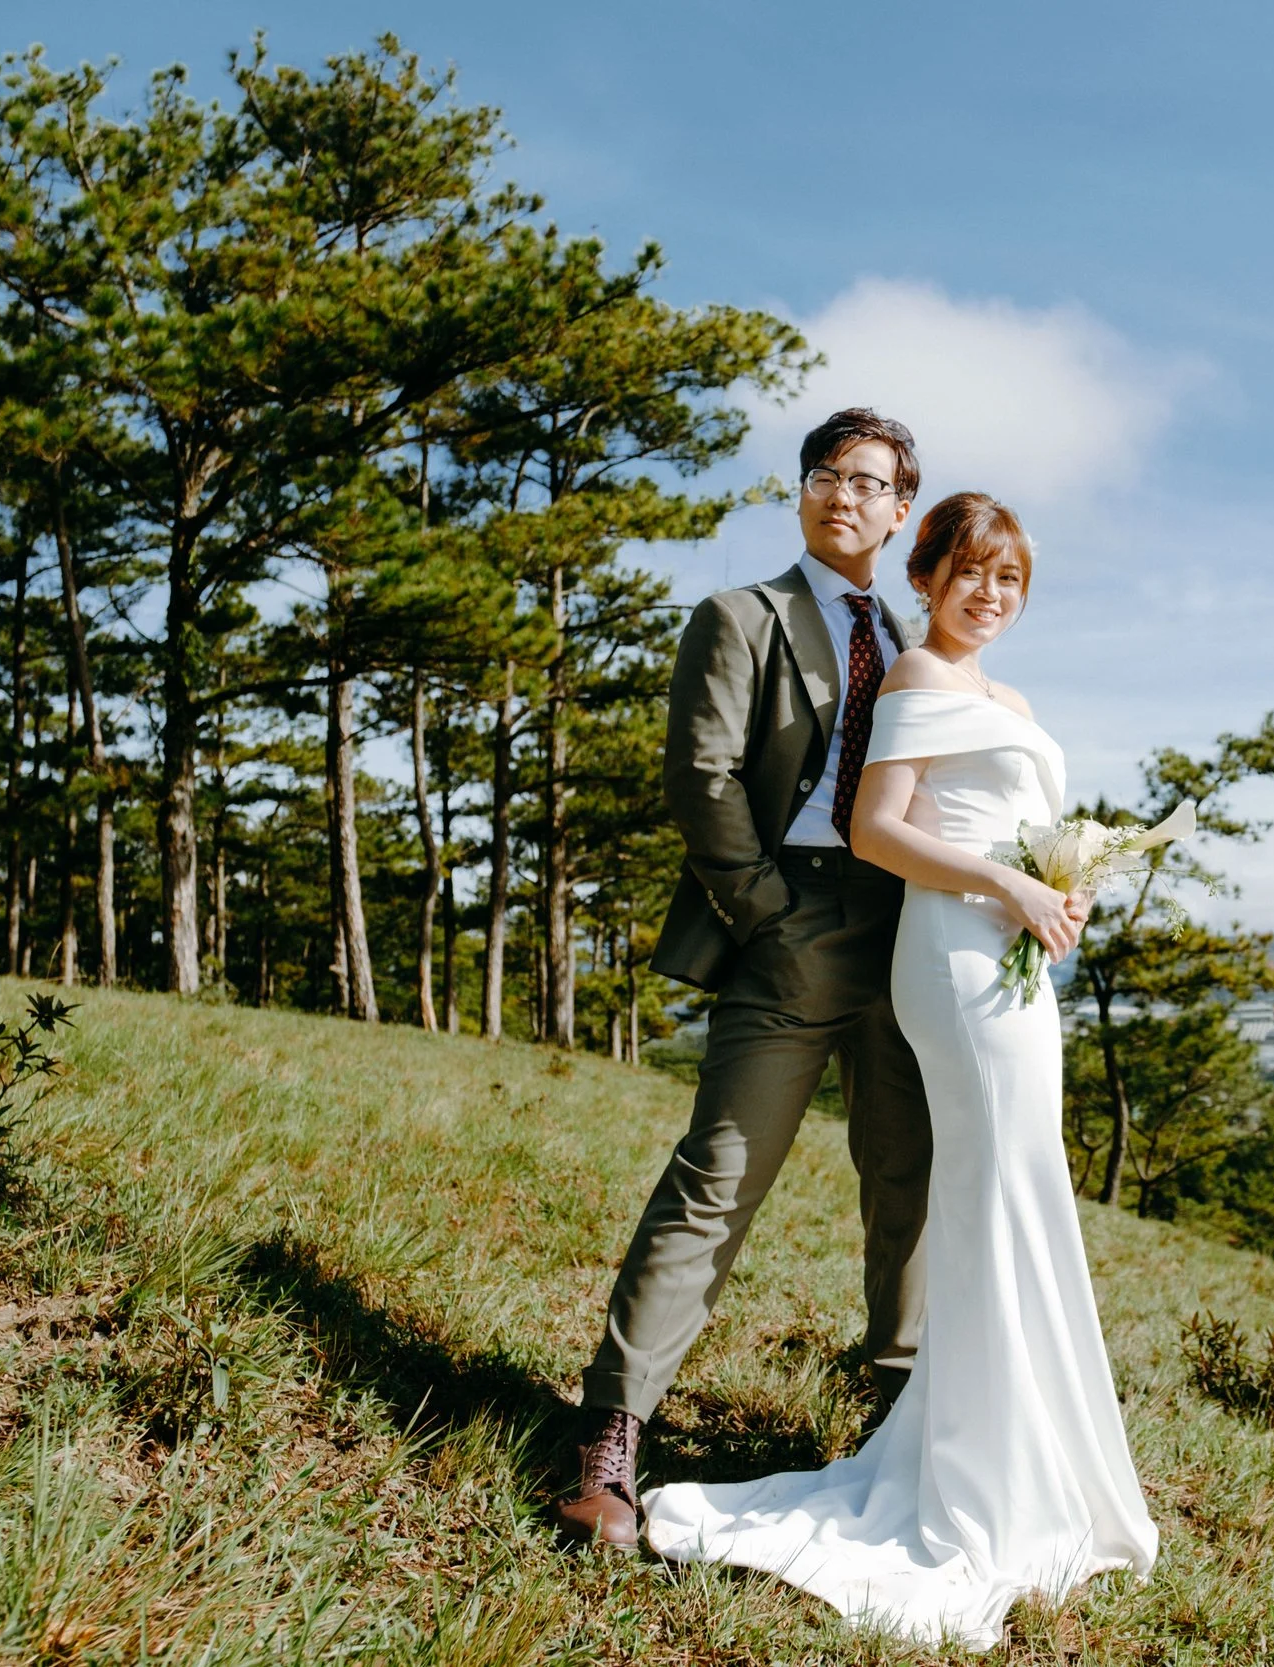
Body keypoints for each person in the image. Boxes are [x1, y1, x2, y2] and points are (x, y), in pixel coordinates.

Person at [641, 492, 1160, 1651]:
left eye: (1009, 579)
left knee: (1018, 1192)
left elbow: (1014, 828)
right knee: (992, 1193)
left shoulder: (1011, 700)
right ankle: (980, 1476)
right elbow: (878, 828)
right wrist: (1007, 884)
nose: (990, 594)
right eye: (970, 571)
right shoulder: (918, 675)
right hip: (954, 960)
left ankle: (1020, 1454)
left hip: (1012, 964)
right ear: (924, 576)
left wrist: (1058, 887)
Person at [557, 409, 934, 1549]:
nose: (840, 495)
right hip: (792, 922)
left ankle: (897, 1423)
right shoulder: (742, 616)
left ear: (900, 509)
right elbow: (703, 774)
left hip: (907, 929)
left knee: (908, 1183)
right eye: (824, 474)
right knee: (716, 1176)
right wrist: (766, 911)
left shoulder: (916, 641)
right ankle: (611, 1433)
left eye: (866, 481)